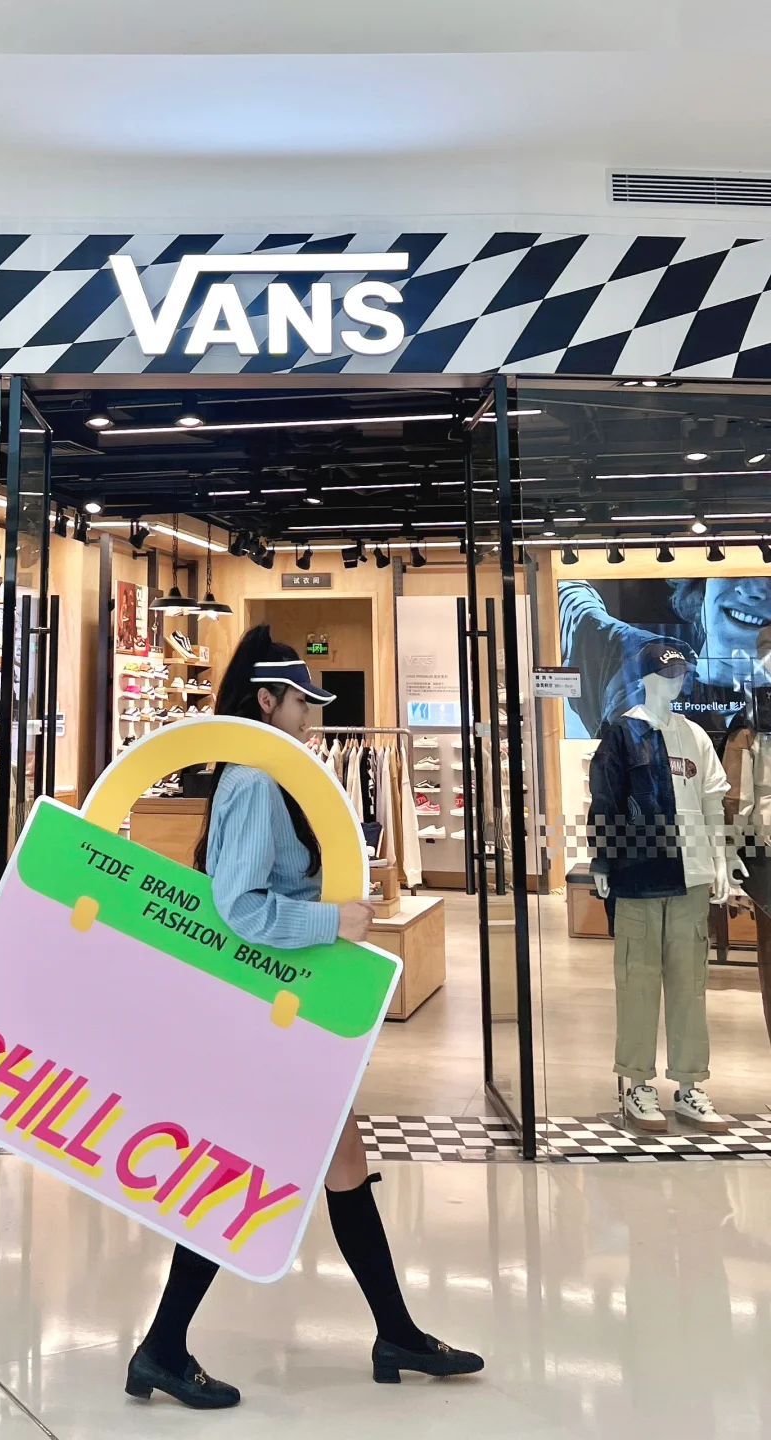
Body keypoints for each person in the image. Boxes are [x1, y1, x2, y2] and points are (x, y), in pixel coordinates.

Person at [125, 625, 484, 1410]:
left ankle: (395, 1332)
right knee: (233, 1171)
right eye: (302, 704)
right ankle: (161, 1347)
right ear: (266, 702)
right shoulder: (257, 781)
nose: (314, 718)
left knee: (343, 1162)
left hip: (279, 1009)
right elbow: (240, 907)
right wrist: (332, 922)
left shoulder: (269, 774)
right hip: (265, 1012)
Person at [560, 576, 771, 743]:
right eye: (732, 573)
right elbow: (569, 597)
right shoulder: (633, 658)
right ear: (702, 585)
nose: (754, 591)